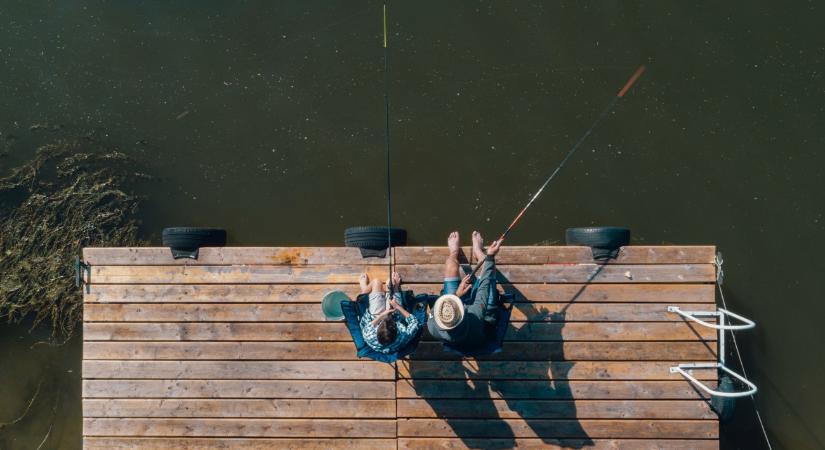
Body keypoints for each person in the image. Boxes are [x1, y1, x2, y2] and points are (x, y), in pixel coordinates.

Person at [428, 231, 502, 350]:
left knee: (450, 264)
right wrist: (490, 256)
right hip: (482, 318)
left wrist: (456, 294)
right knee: (487, 266)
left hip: (463, 325)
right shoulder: (476, 316)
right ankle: (479, 252)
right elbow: (483, 289)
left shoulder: (432, 326)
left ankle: (454, 252)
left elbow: (445, 308)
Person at [358, 271, 421, 354]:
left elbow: (368, 327)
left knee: (376, 282)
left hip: (376, 316)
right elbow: (414, 323)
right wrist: (398, 306)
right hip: (395, 316)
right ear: (397, 331)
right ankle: (396, 286)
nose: (387, 319)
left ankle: (364, 290)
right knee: (391, 282)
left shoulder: (370, 335)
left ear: (376, 332)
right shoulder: (403, 335)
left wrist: (382, 315)